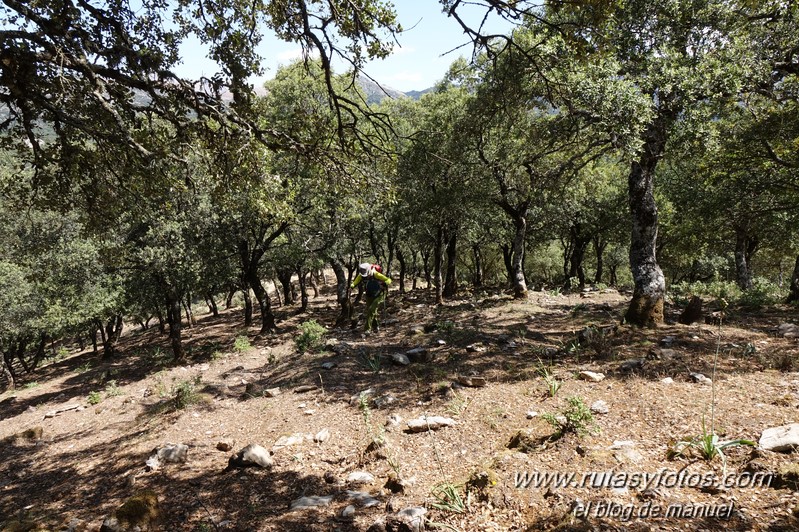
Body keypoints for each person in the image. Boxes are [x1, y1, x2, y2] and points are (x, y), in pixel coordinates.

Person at [351, 262, 391, 333]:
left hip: (379, 295)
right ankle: (376, 327)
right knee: (372, 311)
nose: (365, 277)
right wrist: (351, 286)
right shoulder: (361, 276)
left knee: (371, 310)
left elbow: (389, 280)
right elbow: (355, 282)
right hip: (369, 295)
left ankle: (367, 329)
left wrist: (385, 283)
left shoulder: (376, 274)